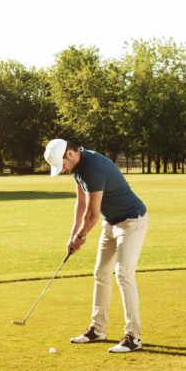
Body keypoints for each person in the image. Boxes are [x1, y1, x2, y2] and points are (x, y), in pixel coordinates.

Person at [43, 138, 149, 353]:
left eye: (62, 165)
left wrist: (81, 237)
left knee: (123, 274)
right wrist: (72, 236)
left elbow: (91, 216)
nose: (62, 170)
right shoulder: (78, 168)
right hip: (111, 222)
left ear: (70, 155)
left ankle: (133, 336)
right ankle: (98, 330)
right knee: (101, 273)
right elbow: (81, 204)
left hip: (131, 221)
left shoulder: (93, 168)